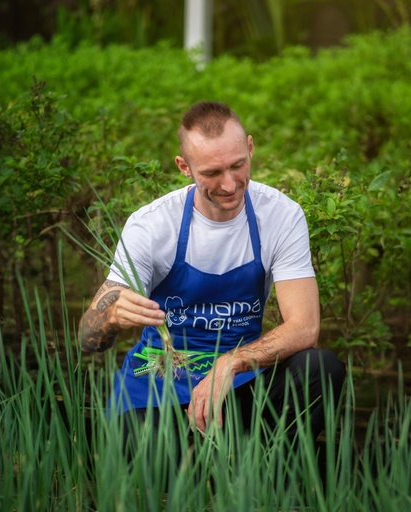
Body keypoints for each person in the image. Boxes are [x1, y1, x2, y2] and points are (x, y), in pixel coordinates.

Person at [78, 101, 346, 442]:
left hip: (239, 384)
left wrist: (229, 364)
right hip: (158, 389)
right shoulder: (152, 225)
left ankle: (269, 478)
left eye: (238, 165)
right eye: (212, 173)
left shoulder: (280, 215)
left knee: (320, 369)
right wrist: (112, 317)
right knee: (133, 448)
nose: (230, 185)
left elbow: (305, 328)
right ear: (184, 167)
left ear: (250, 147)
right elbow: (88, 339)